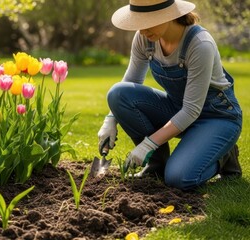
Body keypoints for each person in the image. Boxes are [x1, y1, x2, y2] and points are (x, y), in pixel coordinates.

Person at [98, 0, 242, 190]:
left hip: (215, 117)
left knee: (179, 179)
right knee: (118, 93)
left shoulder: (200, 44)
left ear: (168, 15)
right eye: (139, 22)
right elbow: (131, 81)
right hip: (177, 108)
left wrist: (147, 145)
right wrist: (110, 120)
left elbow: (192, 110)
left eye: (148, 22)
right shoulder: (145, 38)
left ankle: (223, 156)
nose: (142, 31)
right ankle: (156, 164)